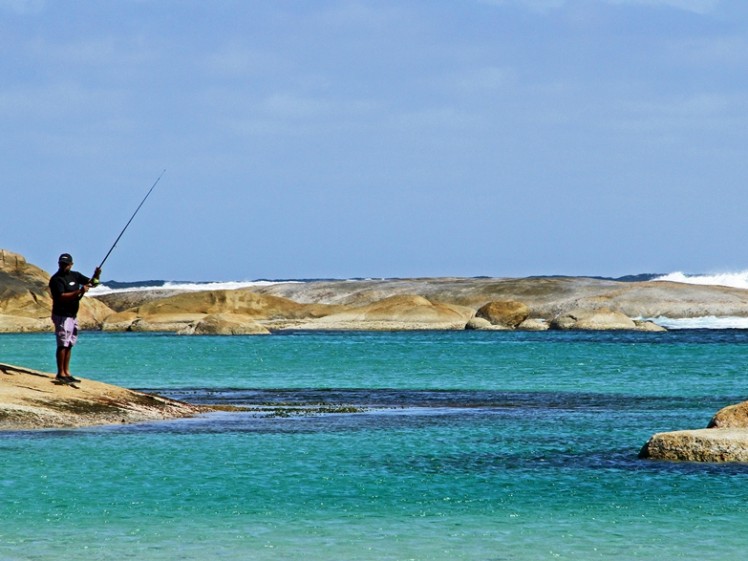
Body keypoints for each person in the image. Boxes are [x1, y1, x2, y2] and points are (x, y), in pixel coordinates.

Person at [49, 253, 102, 384]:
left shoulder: (75, 275)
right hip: (62, 315)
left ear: (71, 264)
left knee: (70, 343)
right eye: (61, 263)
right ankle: (60, 373)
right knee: (62, 344)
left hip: (72, 315)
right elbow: (61, 296)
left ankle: (67, 372)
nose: (63, 266)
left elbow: (93, 283)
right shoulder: (56, 279)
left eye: (66, 264)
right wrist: (79, 291)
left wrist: (96, 275)